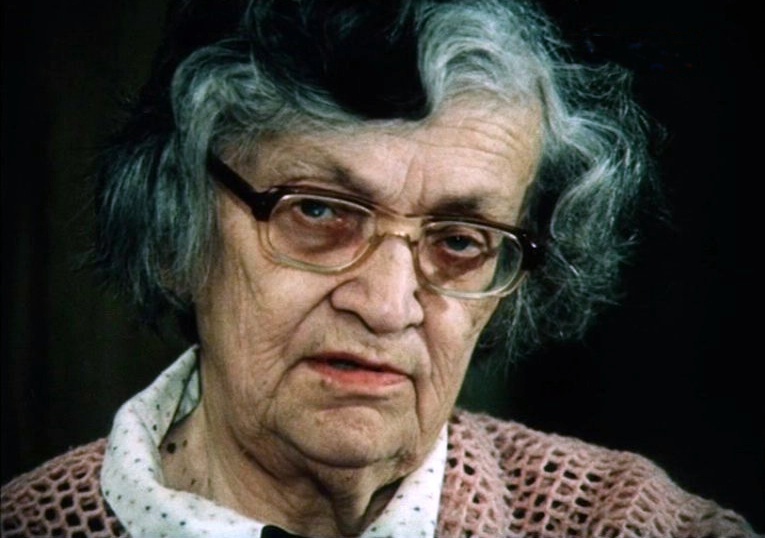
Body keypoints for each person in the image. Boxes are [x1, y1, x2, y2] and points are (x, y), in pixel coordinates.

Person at [0, 0, 758, 537]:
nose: (388, 305)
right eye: (318, 212)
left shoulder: (625, 523)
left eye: (459, 240)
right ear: (176, 229)